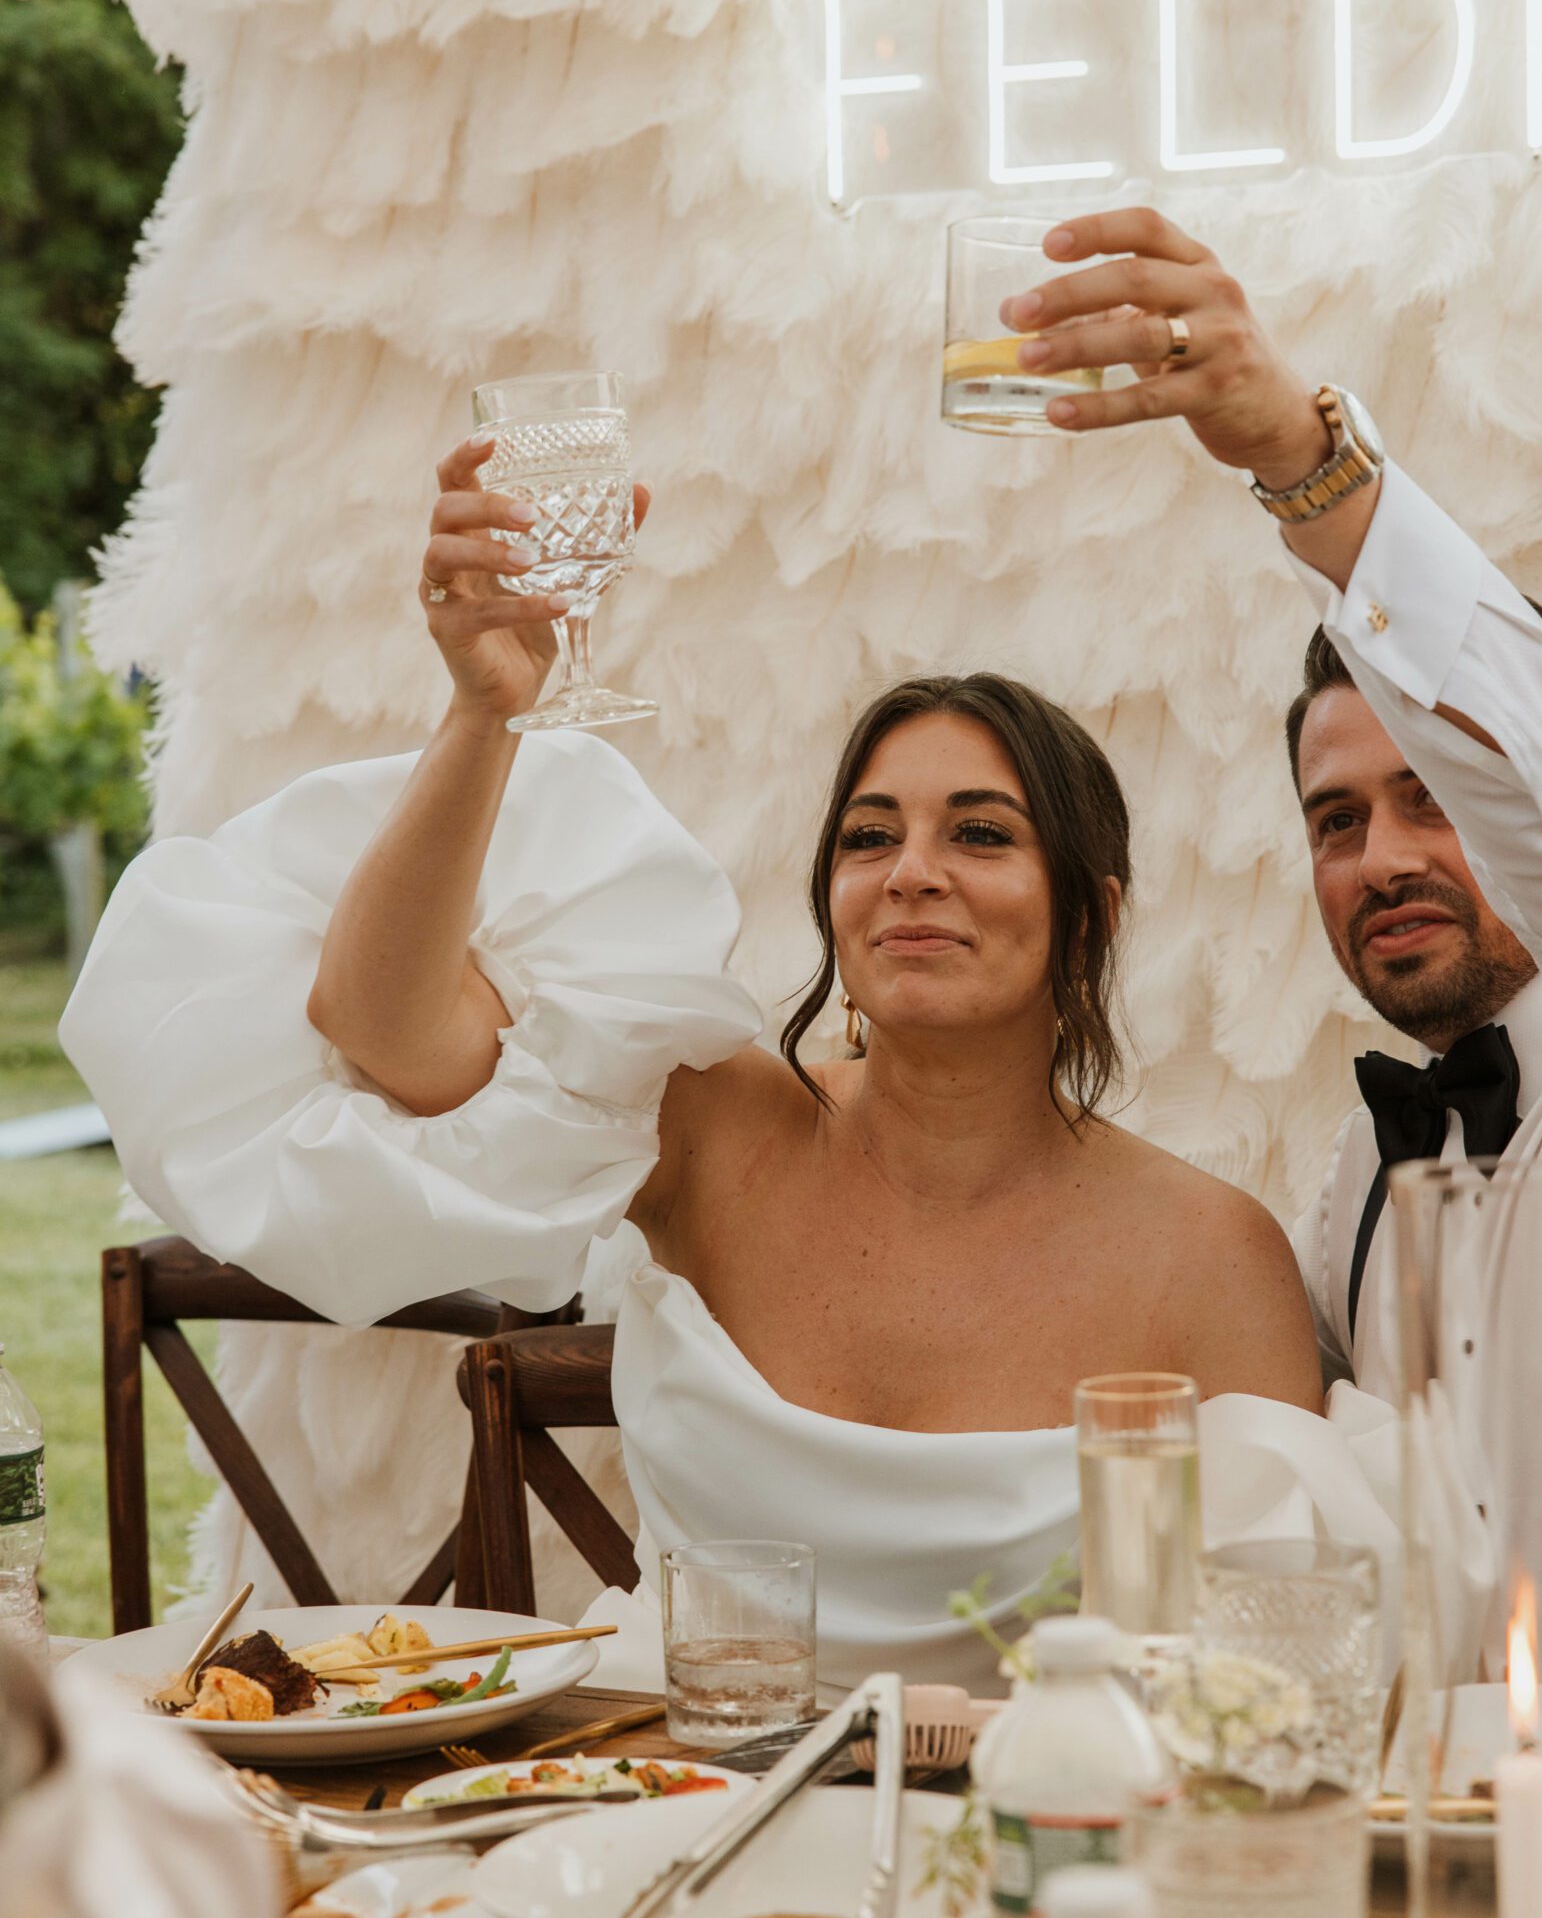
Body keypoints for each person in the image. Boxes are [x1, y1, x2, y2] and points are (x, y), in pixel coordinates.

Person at [61, 441, 1422, 1693]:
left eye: (984, 835)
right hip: (679, 1797)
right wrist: (484, 715)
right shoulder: (707, 1136)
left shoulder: (1208, 1258)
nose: (915, 875)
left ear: (1093, 912)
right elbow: (381, 1027)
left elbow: (1281, 1669)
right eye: (870, 835)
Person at [997, 204, 1542, 1684]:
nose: (1379, 858)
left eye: (1433, 801)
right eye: (1334, 820)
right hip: (1423, 1869)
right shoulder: (1349, 1196)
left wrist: (1303, 463)